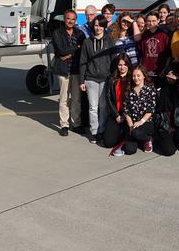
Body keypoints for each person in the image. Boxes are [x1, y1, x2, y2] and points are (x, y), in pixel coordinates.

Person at [79, 15, 116, 144]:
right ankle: (94, 132)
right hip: (91, 79)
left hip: (106, 79)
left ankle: (102, 130)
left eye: (100, 25)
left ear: (104, 26)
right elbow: (83, 62)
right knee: (93, 107)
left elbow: (113, 61)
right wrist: (82, 81)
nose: (98, 27)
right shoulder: (87, 42)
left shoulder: (110, 41)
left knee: (103, 106)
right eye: (95, 25)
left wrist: (113, 78)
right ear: (92, 26)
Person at [51, 9, 86, 136]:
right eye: (68, 18)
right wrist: (75, 48)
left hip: (76, 71)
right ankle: (64, 125)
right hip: (63, 70)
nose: (70, 21)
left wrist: (69, 53)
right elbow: (60, 51)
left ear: (75, 20)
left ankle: (76, 124)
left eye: (73, 19)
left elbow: (82, 51)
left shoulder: (80, 34)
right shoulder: (57, 33)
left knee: (76, 99)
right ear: (64, 19)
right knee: (64, 99)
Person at [122, 66, 156, 154]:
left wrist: (141, 122)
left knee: (136, 133)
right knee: (129, 150)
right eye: (134, 76)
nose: (135, 78)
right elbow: (126, 110)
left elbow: (151, 109)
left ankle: (148, 139)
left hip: (146, 122)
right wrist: (130, 125)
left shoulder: (150, 89)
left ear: (144, 76)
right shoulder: (129, 90)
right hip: (133, 123)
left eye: (138, 75)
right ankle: (140, 139)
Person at [103, 53, 131, 152]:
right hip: (116, 114)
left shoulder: (132, 79)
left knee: (130, 146)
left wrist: (126, 115)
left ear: (128, 65)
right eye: (120, 65)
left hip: (129, 115)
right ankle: (120, 133)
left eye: (124, 65)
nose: (122, 67)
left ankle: (124, 132)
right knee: (108, 143)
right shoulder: (111, 79)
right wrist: (116, 115)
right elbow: (108, 98)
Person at [138, 11, 171, 82]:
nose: (151, 23)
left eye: (154, 21)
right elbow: (141, 53)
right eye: (149, 21)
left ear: (158, 20)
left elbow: (168, 55)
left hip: (160, 72)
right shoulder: (143, 35)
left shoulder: (164, 35)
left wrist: (164, 70)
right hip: (146, 72)